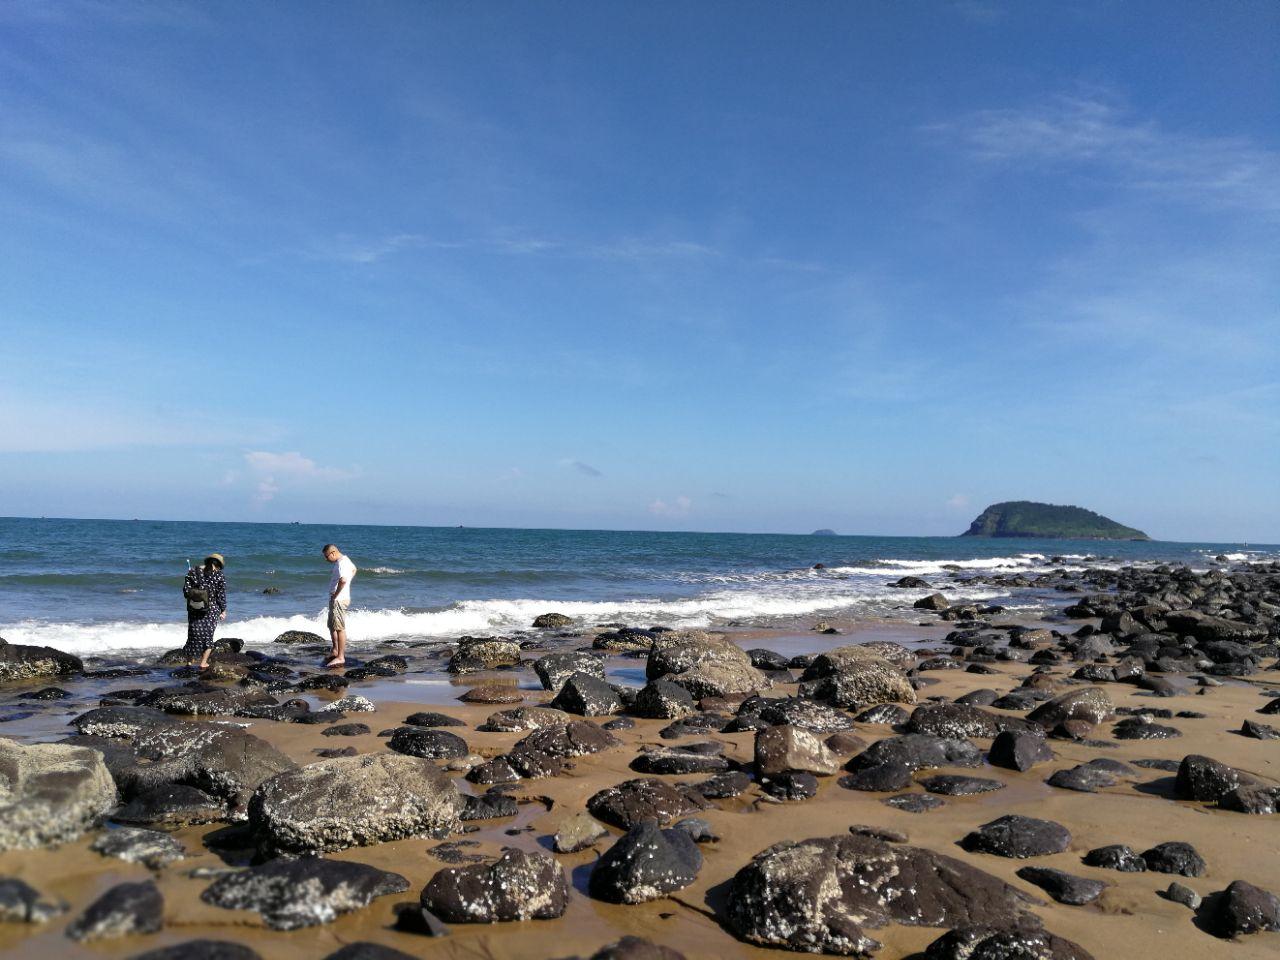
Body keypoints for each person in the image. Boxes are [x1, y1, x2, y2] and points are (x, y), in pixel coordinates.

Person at [183, 553, 227, 669]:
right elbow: (221, 595)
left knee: (193, 635)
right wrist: (223, 610)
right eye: (218, 567)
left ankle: (189, 663)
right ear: (215, 564)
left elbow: (186, 591)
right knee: (208, 636)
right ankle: (203, 663)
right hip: (212, 609)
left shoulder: (193, 571)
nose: (218, 569)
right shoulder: (218, 575)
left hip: (195, 607)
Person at [322, 543, 356, 667]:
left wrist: (336, 595)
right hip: (336, 599)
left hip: (339, 600)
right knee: (331, 625)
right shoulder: (345, 560)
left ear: (333, 553)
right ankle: (335, 650)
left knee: (339, 628)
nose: (326, 560)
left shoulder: (342, 563)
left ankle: (341, 657)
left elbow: (343, 580)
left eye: (327, 557)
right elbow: (354, 569)